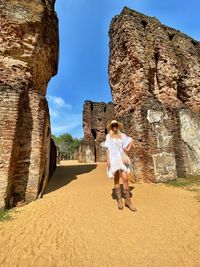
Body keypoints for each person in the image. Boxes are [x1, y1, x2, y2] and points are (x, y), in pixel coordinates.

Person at [104, 120, 137, 212]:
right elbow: (107, 149)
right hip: (113, 158)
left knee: (125, 178)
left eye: (116, 125)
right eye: (113, 125)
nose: (114, 127)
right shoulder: (108, 136)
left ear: (118, 126)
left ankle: (128, 201)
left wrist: (128, 148)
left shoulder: (122, 135)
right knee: (116, 177)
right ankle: (119, 200)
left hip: (121, 158)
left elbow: (131, 140)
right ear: (111, 127)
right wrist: (108, 160)